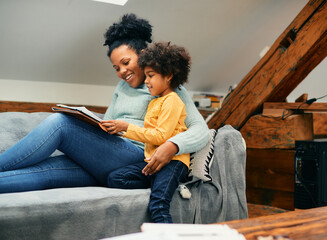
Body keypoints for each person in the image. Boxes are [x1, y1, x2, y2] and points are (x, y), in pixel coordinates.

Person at [0, 13, 209, 193]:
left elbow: (201, 129)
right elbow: (108, 122)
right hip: (108, 158)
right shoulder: (121, 89)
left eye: (126, 63)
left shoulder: (167, 87)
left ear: (143, 55)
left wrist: (173, 145)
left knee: (60, 123)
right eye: (116, 68)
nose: (122, 72)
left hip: (137, 156)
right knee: (45, 172)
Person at [104, 41, 191, 223]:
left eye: (150, 76)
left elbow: (161, 136)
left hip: (172, 163)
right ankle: (158, 183)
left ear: (168, 76)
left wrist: (126, 127)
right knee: (115, 178)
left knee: (158, 205)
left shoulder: (172, 100)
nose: (146, 81)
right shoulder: (154, 101)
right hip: (152, 161)